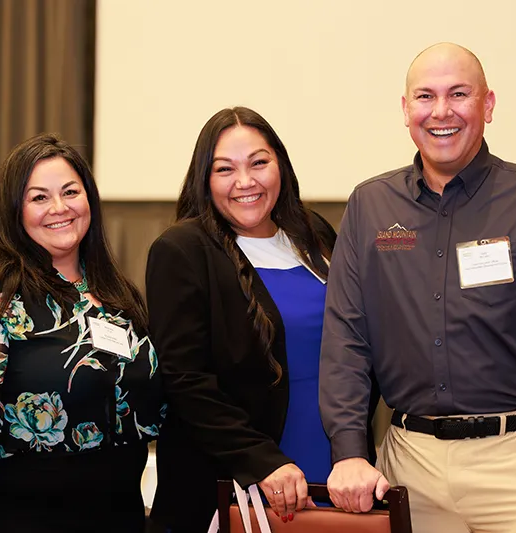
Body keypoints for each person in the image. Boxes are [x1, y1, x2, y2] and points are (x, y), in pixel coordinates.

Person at [320, 42, 516, 533]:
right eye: (425, 96)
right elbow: (347, 340)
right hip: (409, 466)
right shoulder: (370, 207)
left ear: (488, 105)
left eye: (459, 94)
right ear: (405, 109)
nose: (441, 112)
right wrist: (350, 450)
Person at [0, 133, 164, 533]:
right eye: (39, 198)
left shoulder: (117, 294)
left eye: (70, 192)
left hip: (120, 511)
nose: (59, 208)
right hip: (24, 515)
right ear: (14, 210)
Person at [146, 107, 376, 532]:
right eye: (224, 169)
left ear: (281, 166)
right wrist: (263, 463)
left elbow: (355, 342)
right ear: (204, 178)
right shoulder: (182, 251)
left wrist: (354, 448)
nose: (245, 181)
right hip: (244, 480)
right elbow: (185, 381)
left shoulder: (315, 233)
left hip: (334, 470)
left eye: (259, 162)